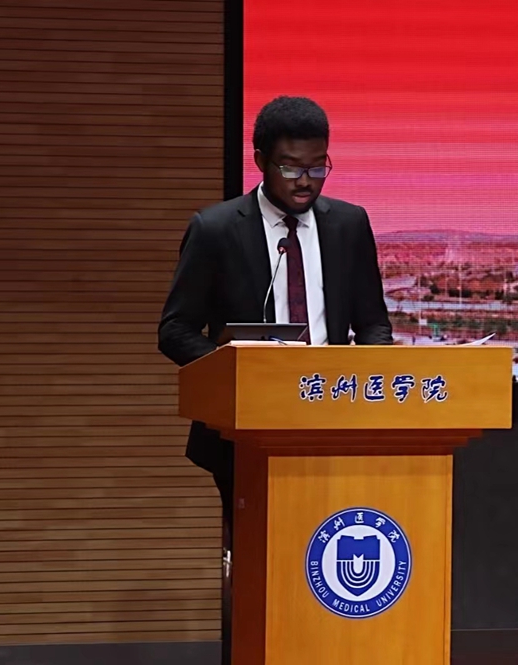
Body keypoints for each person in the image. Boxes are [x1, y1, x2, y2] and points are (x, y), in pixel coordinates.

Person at [158, 95, 392, 663]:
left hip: (336, 425)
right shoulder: (216, 229)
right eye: (291, 167)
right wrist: (234, 372)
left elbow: (373, 323)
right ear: (261, 159)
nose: (305, 181)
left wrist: (377, 383)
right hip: (246, 434)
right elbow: (176, 330)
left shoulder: (350, 224)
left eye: (318, 166)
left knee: (329, 560)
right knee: (264, 567)